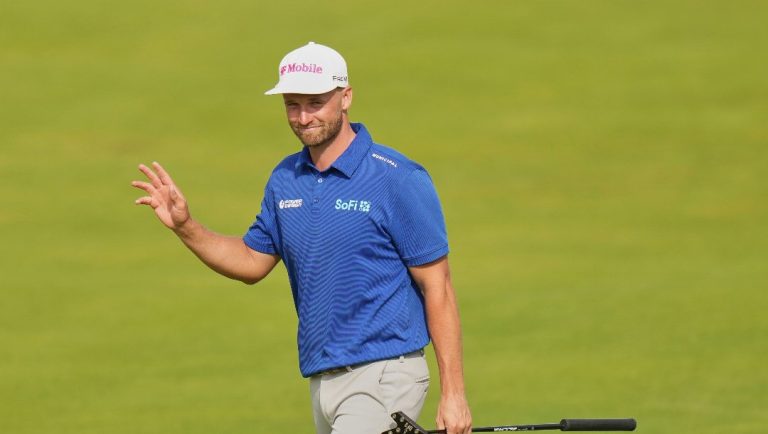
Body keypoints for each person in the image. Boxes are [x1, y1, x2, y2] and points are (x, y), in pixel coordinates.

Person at [131, 41, 472, 434]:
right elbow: (250, 261)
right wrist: (186, 226)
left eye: (315, 102)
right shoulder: (285, 179)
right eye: (292, 104)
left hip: (384, 375)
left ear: (345, 98)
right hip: (321, 379)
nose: (303, 116)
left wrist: (454, 394)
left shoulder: (396, 178)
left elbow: (438, 286)